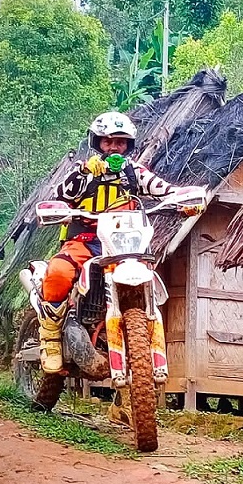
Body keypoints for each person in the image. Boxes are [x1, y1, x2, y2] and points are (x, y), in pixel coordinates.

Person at [36, 112, 181, 374]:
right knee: (58, 273)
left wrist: (183, 196)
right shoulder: (84, 172)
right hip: (84, 240)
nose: (114, 147)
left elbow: (163, 188)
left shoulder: (134, 172)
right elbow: (60, 195)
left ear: (128, 146)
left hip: (124, 245)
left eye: (120, 143)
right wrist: (82, 172)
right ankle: (51, 339)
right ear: (97, 143)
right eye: (108, 142)